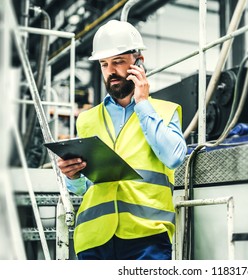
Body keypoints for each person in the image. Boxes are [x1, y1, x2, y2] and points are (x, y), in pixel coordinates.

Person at [57, 19, 187, 260]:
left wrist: (143, 104)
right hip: (93, 239)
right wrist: (72, 176)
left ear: (138, 63)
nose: (111, 71)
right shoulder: (87, 120)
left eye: (118, 62)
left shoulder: (165, 111)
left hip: (147, 237)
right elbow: (86, 188)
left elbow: (174, 157)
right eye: (104, 64)